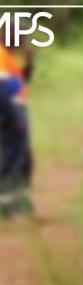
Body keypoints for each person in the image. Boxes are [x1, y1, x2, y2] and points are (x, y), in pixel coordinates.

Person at [0, 37, 33, 219]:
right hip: (9, 109)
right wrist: (13, 118)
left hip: (17, 107)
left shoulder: (11, 56)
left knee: (24, 159)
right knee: (12, 158)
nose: (22, 39)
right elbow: (2, 90)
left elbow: (23, 82)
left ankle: (21, 203)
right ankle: (7, 208)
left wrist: (29, 64)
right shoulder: (1, 54)